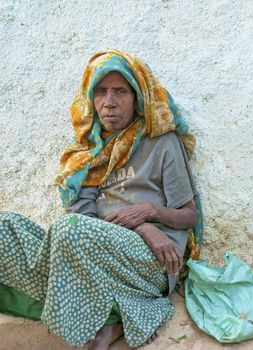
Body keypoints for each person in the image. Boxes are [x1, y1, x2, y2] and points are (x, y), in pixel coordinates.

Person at [0, 49, 204, 349]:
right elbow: (86, 223)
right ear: (90, 99)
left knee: (68, 229)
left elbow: (189, 216)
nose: (109, 101)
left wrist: (149, 212)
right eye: (100, 91)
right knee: (5, 227)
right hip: (96, 254)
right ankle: (112, 318)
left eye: (120, 91)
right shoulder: (85, 155)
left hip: (153, 260)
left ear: (137, 97)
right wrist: (138, 225)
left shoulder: (161, 141)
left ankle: (123, 313)